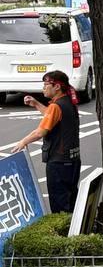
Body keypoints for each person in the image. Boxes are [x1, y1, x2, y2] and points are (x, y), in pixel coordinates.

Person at [13, 71, 80, 213]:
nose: (43, 88)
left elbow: (41, 131)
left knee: (59, 204)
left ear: (56, 87)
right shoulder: (68, 102)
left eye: (46, 85)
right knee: (71, 200)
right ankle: (74, 231)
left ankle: (63, 233)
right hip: (72, 160)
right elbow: (53, 116)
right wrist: (36, 104)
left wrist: (23, 141)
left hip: (59, 162)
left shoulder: (56, 106)